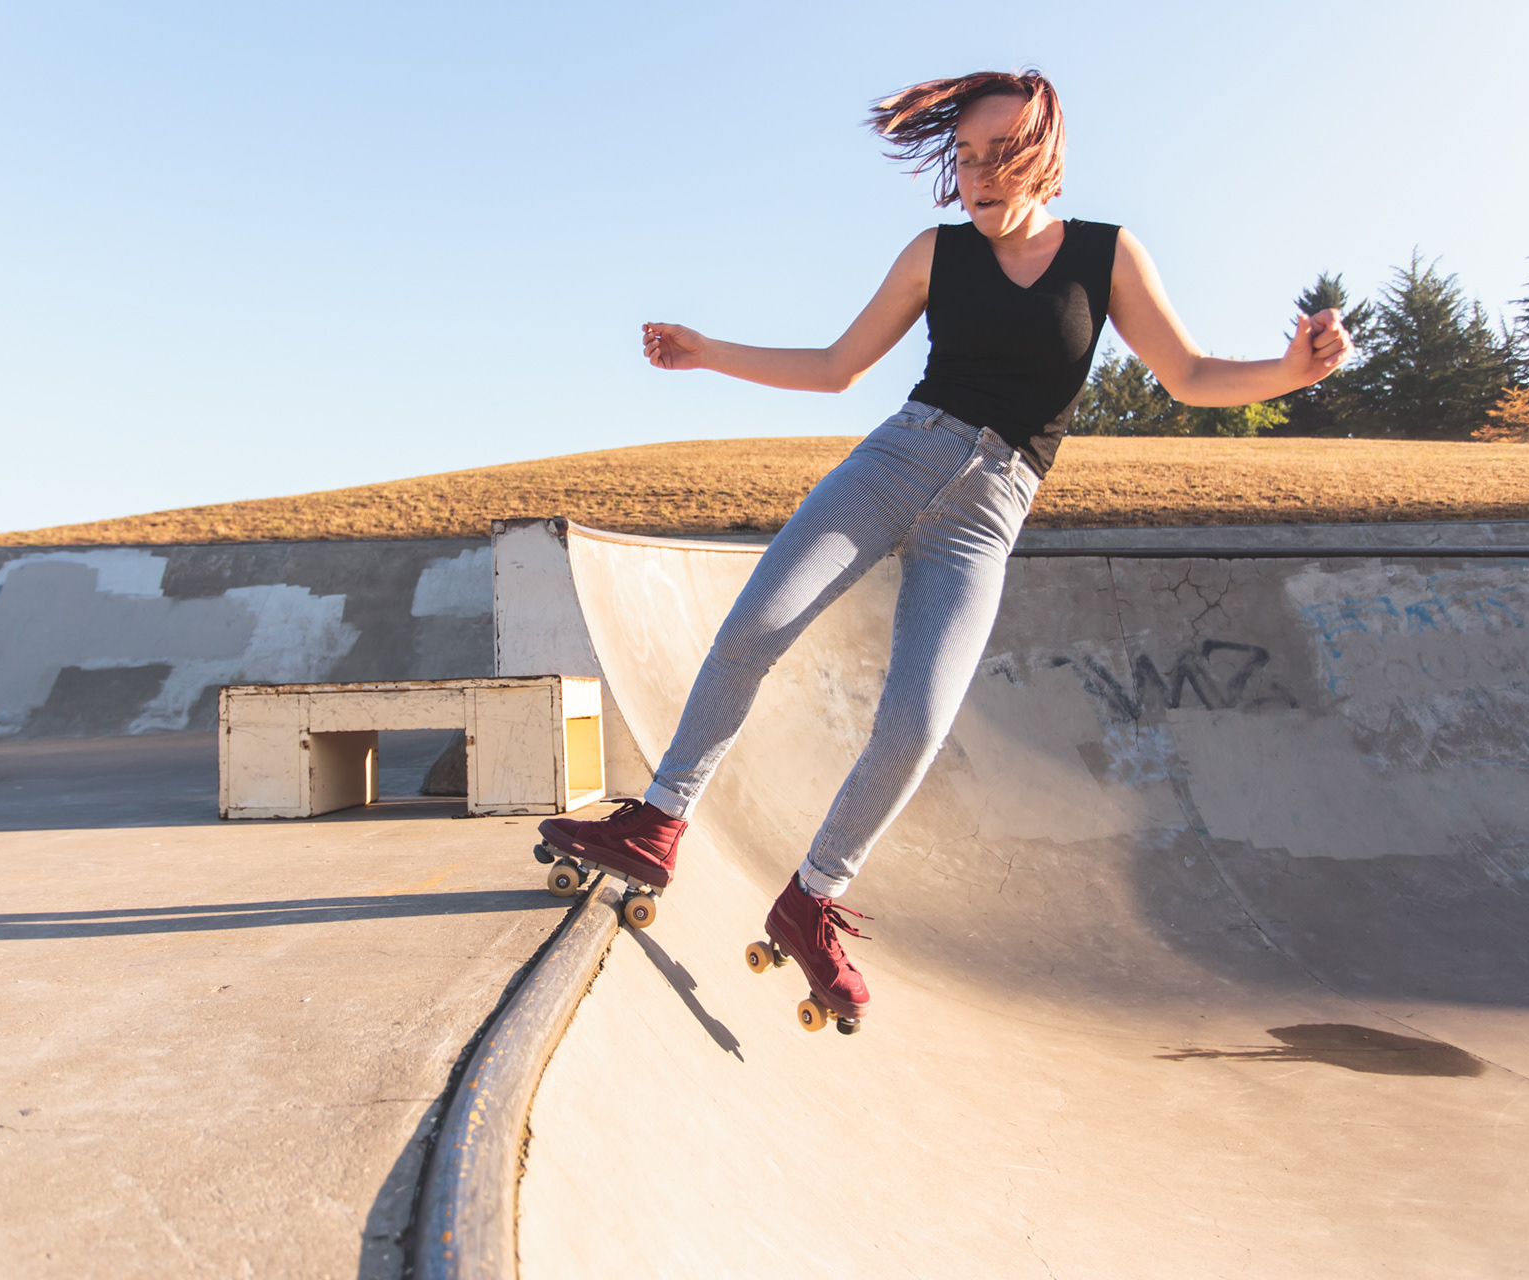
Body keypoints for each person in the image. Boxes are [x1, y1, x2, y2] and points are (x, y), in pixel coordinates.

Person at [537, 70, 1351, 1028]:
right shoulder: (936, 253)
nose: (978, 175)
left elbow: (1190, 374)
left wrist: (1291, 373)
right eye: (965, 156)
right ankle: (660, 822)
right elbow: (840, 367)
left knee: (916, 726)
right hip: (896, 461)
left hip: (988, 516)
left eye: (1001, 155)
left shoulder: (1106, 254)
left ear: (1045, 154)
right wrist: (709, 350)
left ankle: (813, 899)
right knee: (759, 622)